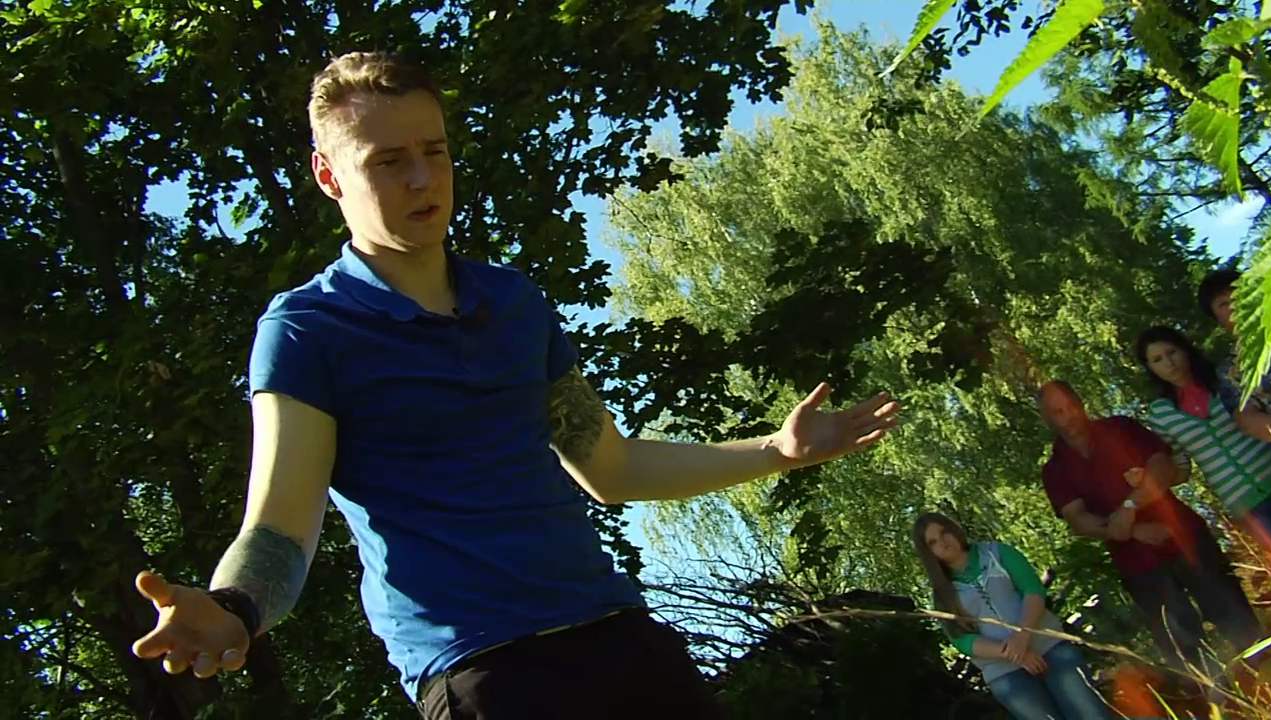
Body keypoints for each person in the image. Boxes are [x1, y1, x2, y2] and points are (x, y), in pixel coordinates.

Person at [126, 51, 900, 719]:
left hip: (626, 642)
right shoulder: (307, 330)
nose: (423, 178)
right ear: (330, 176)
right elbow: (280, 529)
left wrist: (777, 450)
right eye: (388, 161)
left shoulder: (515, 303)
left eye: (435, 151)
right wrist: (234, 607)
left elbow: (611, 468)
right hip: (489, 675)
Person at [1037, 380, 1264, 679]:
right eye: (1058, 412)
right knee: (1184, 651)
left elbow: (1163, 468)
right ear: (1047, 418)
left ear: (1080, 403)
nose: (1068, 417)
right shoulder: (1055, 469)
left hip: (1183, 536)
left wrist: (1129, 507)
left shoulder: (1121, 429)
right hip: (1139, 566)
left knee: (1237, 620)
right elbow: (1079, 520)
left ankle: (1270, 674)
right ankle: (1220, 698)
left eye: (1071, 407)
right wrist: (1133, 531)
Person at [912, 513, 1113, 719]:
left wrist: (1022, 635)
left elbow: (1033, 589)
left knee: (1090, 714)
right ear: (928, 552)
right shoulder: (943, 594)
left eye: (944, 532)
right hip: (1004, 672)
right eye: (933, 542)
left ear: (953, 529)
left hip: (1049, 645)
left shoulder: (997, 553)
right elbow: (962, 639)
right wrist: (1014, 653)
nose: (943, 542)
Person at [1136, 325, 1271, 552]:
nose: (1169, 363)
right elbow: (1182, 470)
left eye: (1171, 352)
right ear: (1150, 368)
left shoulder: (1226, 380)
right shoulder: (1160, 414)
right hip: (1247, 506)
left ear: (1185, 349)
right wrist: (1151, 477)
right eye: (1157, 360)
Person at [1198, 267, 1271, 444]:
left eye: (1238, 295)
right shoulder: (1230, 371)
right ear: (1218, 320)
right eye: (1223, 304)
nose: (1235, 305)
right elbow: (1247, 420)